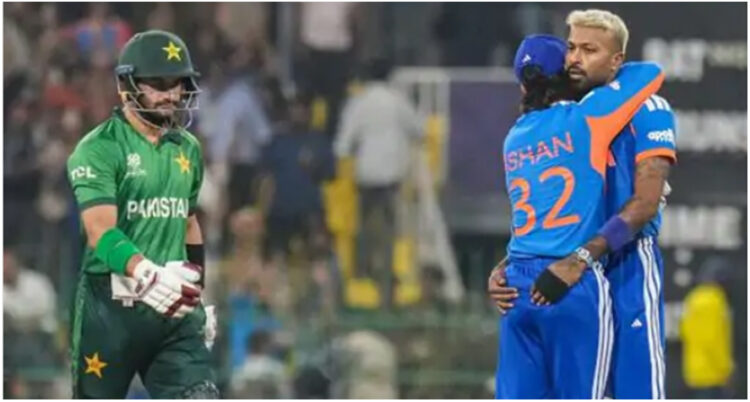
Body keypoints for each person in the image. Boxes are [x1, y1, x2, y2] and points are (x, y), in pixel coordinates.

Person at [489, 9, 677, 399]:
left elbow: (645, 203)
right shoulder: (573, 114)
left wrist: (580, 258)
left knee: (635, 390)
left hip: (625, 263)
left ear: (616, 61)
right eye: (571, 48)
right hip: (571, 266)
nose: (575, 59)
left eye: (590, 50)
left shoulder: (647, 109)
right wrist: (511, 263)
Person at [66, 30, 218, 398]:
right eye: (158, 84)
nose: (171, 94)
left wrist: (196, 292)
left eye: (177, 84)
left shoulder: (188, 148)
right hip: (109, 309)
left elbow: (188, 222)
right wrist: (147, 274)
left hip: (172, 313)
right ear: (127, 85)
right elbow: (100, 231)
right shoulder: (99, 148)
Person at [334, 58, 423, 308]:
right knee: (389, 234)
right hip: (391, 175)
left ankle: (361, 280)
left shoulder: (359, 102)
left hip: (365, 174)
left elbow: (342, 144)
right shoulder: (398, 101)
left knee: (364, 230)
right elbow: (419, 130)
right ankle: (384, 292)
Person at [681, 257, 735, 399]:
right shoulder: (715, 300)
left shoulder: (692, 298)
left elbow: (685, 332)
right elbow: (714, 340)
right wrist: (726, 369)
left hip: (693, 372)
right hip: (713, 374)